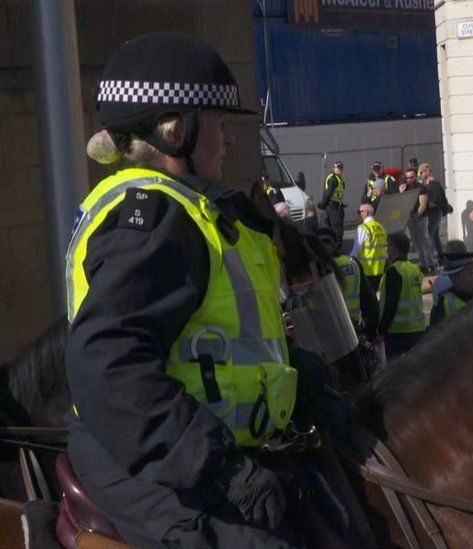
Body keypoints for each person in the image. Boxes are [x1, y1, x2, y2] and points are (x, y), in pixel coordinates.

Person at [64, 32, 351, 547]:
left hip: (197, 451)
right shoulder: (157, 221)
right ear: (176, 131)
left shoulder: (195, 211)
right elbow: (105, 361)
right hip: (152, 463)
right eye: (221, 124)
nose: (231, 139)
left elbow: (226, 345)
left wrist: (309, 385)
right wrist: (219, 468)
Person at [317, 227, 379, 341]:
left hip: (330, 330)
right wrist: (370, 331)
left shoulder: (319, 267)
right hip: (353, 327)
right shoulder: (352, 263)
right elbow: (370, 301)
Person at [378, 233, 426, 359]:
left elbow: (390, 304)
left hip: (397, 332)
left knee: (397, 372)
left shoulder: (394, 271)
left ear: (393, 248)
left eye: (388, 246)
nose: (387, 250)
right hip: (418, 329)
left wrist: (382, 330)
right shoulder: (415, 269)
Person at [430, 240, 473, 326]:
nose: (453, 279)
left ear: (471, 269)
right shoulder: (442, 304)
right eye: (450, 275)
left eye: (457, 274)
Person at [401, 168, 436, 272]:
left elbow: (423, 205)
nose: (410, 180)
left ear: (416, 176)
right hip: (411, 218)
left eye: (412, 177)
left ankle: (431, 263)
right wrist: (401, 192)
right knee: (416, 241)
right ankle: (423, 263)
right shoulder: (406, 187)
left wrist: (416, 217)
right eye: (407, 178)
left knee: (423, 240)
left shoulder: (420, 187)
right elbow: (403, 202)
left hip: (420, 217)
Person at [351, 203, 388, 291]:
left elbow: (356, 250)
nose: (359, 214)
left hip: (367, 269)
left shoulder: (363, 228)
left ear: (367, 213)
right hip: (380, 268)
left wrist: (350, 263)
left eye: (360, 212)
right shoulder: (381, 227)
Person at [423, 166, 448, 259]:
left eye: (422, 172)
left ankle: (429, 259)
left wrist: (428, 203)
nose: (421, 174)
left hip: (435, 211)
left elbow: (435, 199)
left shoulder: (433, 184)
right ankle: (441, 256)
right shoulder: (428, 184)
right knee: (435, 235)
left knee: (429, 235)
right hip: (435, 212)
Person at [318, 160, 346, 231]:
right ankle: (337, 242)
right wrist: (322, 204)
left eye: (341, 168)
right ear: (334, 168)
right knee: (337, 229)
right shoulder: (333, 179)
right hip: (333, 207)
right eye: (338, 168)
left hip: (337, 206)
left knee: (336, 227)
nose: (340, 169)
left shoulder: (338, 178)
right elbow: (328, 192)